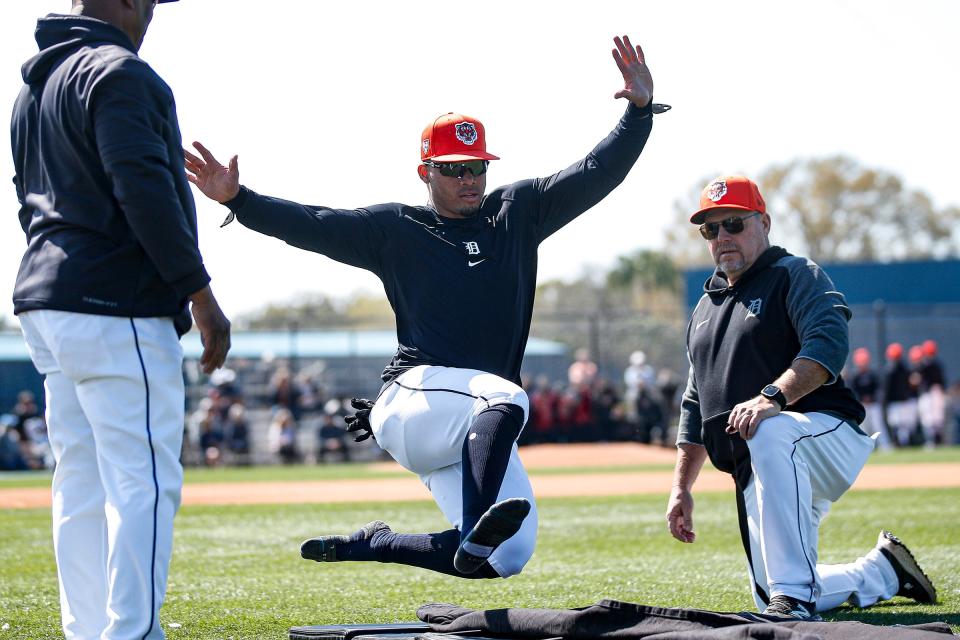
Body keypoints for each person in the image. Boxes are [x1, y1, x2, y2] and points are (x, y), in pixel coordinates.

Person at [185, 35, 661, 579]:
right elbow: (312, 225)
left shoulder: (517, 212)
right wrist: (239, 201)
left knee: (506, 556)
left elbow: (597, 171)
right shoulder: (396, 229)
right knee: (507, 396)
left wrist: (639, 114)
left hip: (466, 424)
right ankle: (476, 524)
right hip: (414, 403)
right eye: (454, 168)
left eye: (477, 167)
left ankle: (379, 542)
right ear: (425, 172)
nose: (469, 179)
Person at [9, 1, 231, 637]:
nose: (154, 9)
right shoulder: (123, 73)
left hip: (45, 300)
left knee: (79, 483)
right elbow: (141, 185)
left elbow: (26, 197)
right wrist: (199, 293)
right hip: (116, 305)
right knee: (145, 482)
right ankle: (132, 633)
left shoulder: (36, 84)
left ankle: (88, 632)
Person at [665, 176, 936, 620]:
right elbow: (695, 405)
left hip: (823, 435)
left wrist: (773, 396)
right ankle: (883, 573)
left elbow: (828, 343)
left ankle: (792, 602)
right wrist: (681, 487)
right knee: (764, 593)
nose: (723, 237)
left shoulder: (794, 274)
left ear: (764, 223)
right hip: (759, 465)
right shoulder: (704, 309)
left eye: (733, 223)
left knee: (770, 430)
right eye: (710, 230)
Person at [849, 347, 892, 451]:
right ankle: (865, 448)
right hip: (862, 406)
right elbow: (853, 392)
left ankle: (885, 446)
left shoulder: (873, 375)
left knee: (878, 426)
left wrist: (873, 398)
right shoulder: (855, 377)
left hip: (873, 405)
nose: (862, 365)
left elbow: (879, 390)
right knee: (863, 428)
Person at [916, 340, 947, 448]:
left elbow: (917, 380)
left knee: (929, 420)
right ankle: (937, 440)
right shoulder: (937, 364)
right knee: (936, 420)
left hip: (928, 394)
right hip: (936, 393)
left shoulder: (923, 365)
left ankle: (932, 441)